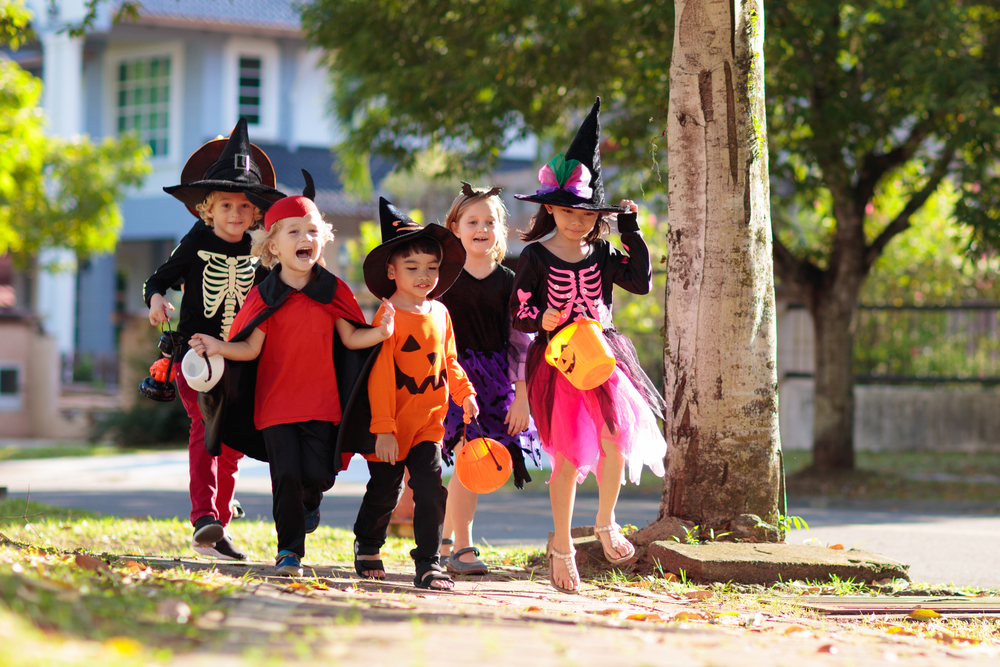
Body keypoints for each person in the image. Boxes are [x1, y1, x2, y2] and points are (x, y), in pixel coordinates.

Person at [189, 176, 391, 577]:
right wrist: (218, 346)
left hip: (322, 402)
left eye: (313, 231)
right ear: (272, 246)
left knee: (316, 474)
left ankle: (309, 500)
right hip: (274, 403)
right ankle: (289, 552)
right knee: (284, 475)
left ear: (324, 240)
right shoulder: (264, 295)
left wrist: (380, 332)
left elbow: (350, 338)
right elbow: (249, 347)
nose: (305, 238)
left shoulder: (334, 290)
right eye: (294, 231)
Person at [510, 98, 667, 594]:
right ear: (550, 208)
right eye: (568, 211)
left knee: (615, 438)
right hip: (559, 362)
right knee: (567, 459)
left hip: (604, 356)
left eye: (589, 214)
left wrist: (631, 232)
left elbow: (640, 282)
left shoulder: (602, 250)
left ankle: (605, 521)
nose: (578, 221)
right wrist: (542, 316)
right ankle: (562, 544)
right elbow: (516, 311)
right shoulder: (533, 256)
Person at [144, 118, 285, 560]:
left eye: (245, 207)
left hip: (242, 360)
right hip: (195, 356)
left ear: (256, 213)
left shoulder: (259, 255)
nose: (236, 215)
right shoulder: (195, 241)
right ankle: (203, 514)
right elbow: (158, 279)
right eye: (226, 206)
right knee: (206, 427)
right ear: (208, 209)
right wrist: (155, 302)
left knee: (233, 443)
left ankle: (218, 524)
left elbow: (273, 298)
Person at [353, 197, 479, 591]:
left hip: (428, 423)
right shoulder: (387, 316)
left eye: (432, 267)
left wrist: (465, 393)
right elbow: (380, 376)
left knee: (429, 488)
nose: (424, 275)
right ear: (392, 271)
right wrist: (384, 428)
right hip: (391, 425)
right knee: (384, 491)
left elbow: (450, 361)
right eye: (412, 268)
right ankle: (368, 543)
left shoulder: (440, 313)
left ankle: (428, 562)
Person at [438, 182, 541, 576]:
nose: (481, 228)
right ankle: (462, 548)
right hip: (453, 377)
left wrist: (522, 397)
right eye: (472, 221)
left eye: (490, 221)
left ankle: (446, 540)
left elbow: (521, 343)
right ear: (455, 226)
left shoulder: (509, 281)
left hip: (497, 383)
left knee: (477, 461)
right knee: (469, 455)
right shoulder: (442, 279)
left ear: (501, 229)